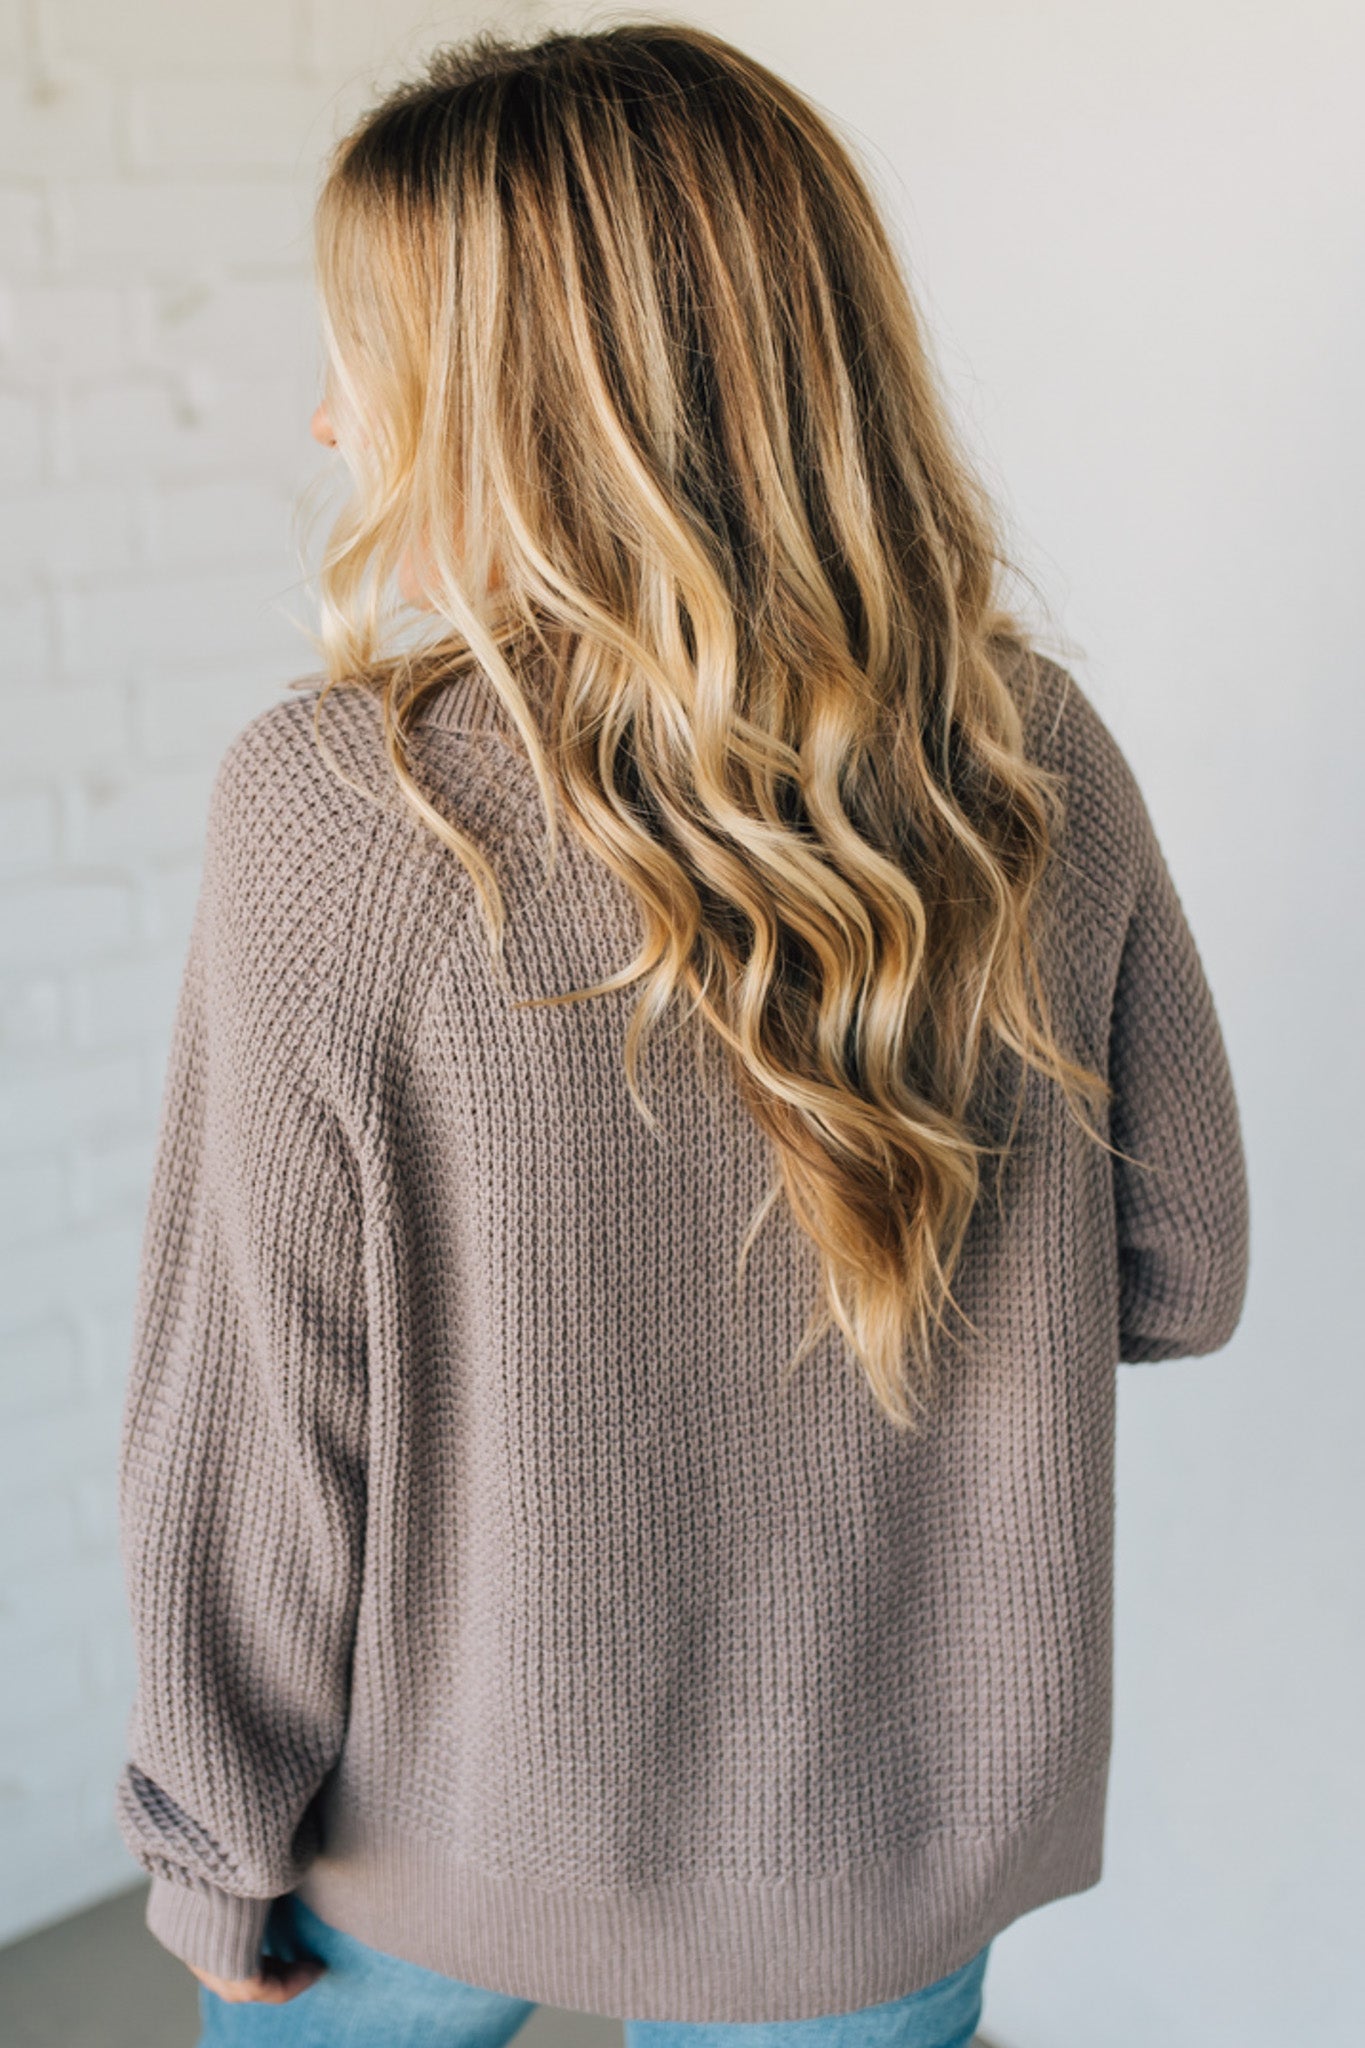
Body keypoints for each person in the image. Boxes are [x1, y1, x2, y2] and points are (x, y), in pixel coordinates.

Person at [112, 23, 1250, 2048]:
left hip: (422, 1845)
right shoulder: (1026, 754)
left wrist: (209, 1832)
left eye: (363, 357)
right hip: (877, 1845)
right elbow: (1175, 1268)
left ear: (526, 409)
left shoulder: (338, 814)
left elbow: (261, 1417)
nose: (319, 418)